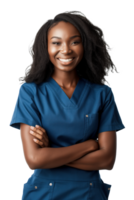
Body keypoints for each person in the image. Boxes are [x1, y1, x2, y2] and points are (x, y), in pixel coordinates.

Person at [9, 10, 126, 200]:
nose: (66, 50)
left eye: (75, 41)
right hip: (42, 194)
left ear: (85, 45)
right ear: (45, 47)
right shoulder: (30, 92)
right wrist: (89, 145)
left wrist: (51, 152)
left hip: (90, 194)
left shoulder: (102, 94)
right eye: (56, 42)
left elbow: (106, 160)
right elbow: (34, 159)